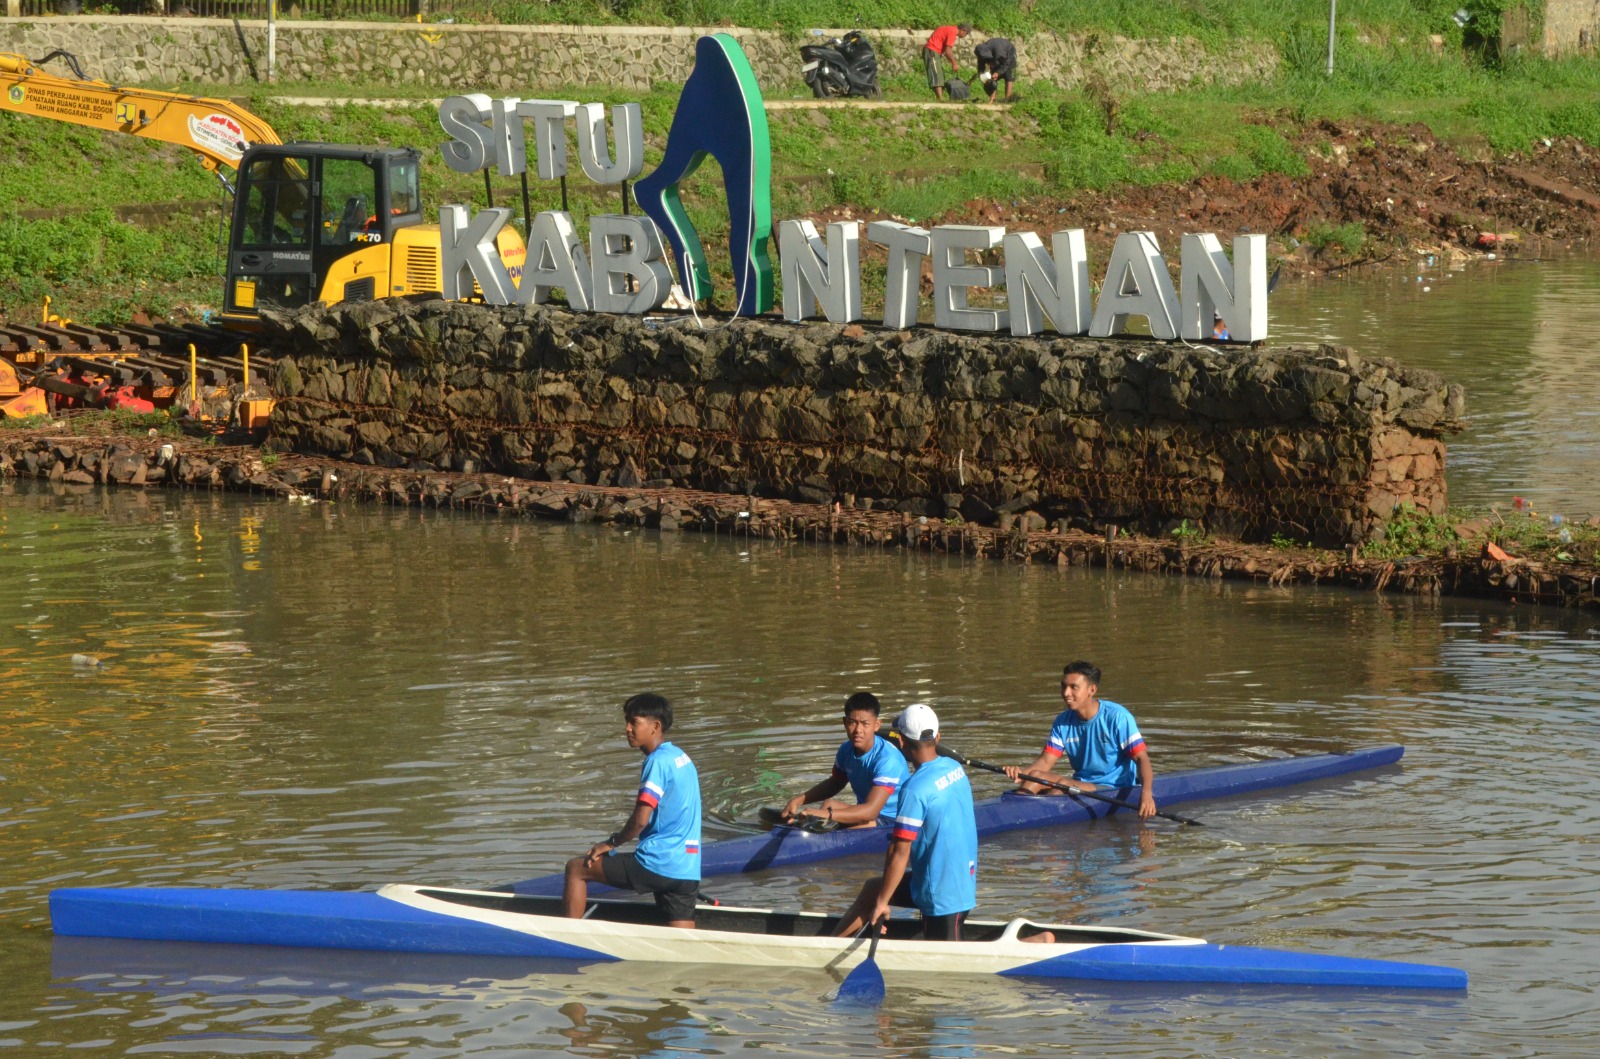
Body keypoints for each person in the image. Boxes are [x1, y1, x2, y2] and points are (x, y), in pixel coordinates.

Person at [833, 704, 980, 941]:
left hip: (941, 894)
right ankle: (831, 944)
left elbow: (899, 851)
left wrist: (882, 904)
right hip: (963, 878)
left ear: (901, 742)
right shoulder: (954, 768)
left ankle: (1032, 943)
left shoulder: (914, 789)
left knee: (942, 962)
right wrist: (879, 897)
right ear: (937, 737)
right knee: (873, 888)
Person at [563, 693, 702, 928]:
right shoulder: (681, 757)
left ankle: (567, 936)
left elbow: (640, 820)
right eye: (627, 722)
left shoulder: (656, 762)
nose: (627, 729)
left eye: (634, 722)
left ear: (655, 726)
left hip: (657, 864)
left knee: (576, 868)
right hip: (687, 868)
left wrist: (611, 843)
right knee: (682, 939)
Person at [1004, 661, 1157, 819]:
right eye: (1064, 686)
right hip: (1080, 783)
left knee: (1056, 786)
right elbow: (1045, 761)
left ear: (1092, 690)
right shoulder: (1062, 721)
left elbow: (1142, 758)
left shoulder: (1118, 717)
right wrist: (1021, 773)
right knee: (1038, 777)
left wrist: (1146, 794)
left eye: (1073, 687)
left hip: (1113, 787)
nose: (1066, 693)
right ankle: (1014, 811)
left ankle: (1023, 817)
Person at [781, 691, 909, 829]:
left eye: (865, 724)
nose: (858, 730)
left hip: (892, 820)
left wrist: (825, 814)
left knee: (831, 825)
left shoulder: (887, 759)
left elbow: (871, 812)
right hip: (866, 811)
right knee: (829, 804)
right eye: (852, 722)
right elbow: (835, 783)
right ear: (844, 722)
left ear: (876, 725)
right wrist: (798, 800)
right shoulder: (845, 749)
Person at [924, 23, 972, 101]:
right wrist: (954, 63)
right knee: (937, 74)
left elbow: (945, 50)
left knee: (940, 74)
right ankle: (940, 98)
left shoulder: (949, 29)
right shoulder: (952, 32)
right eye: (966, 34)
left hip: (933, 51)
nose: (965, 36)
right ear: (963, 30)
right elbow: (948, 51)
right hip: (932, 51)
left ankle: (939, 97)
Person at [973, 36, 1017, 103]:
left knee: (1008, 76)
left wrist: (998, 72)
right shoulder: (981, 51)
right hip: (996, 56)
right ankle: (992, 99)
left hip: (1008, 55)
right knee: (992, 76)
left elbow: (1006, 63)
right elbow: (981, 65)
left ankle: (1008, 99)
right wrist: (982, 75)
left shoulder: (999, 51)